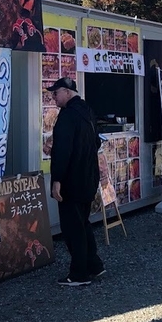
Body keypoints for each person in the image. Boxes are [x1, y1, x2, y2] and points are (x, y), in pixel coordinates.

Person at [47, 76, 105, 287]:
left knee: (73, 228)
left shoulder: (68, 116)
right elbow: (97, 142)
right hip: (89, 178)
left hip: (72, 180)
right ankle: (94, 264)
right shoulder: (87, 111)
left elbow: (62, 151)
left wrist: (57, 180)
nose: (53, 97)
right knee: (83, 222)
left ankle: (79, 274)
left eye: (56, 93)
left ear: (67, 92)